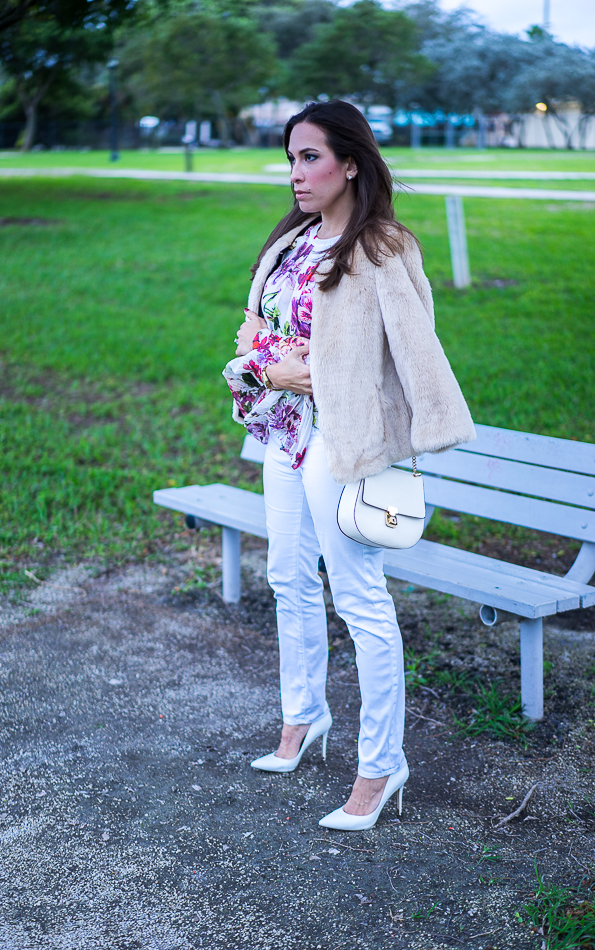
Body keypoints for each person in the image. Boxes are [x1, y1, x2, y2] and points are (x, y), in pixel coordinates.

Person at [223, 100, 475, 831]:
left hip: (345, 442)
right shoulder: (293, 241)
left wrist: (416, 427)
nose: (296, 173)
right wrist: (268, 367)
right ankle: (303, 717)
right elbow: (256, 336)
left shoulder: (381, 248)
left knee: (359, 599)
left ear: (352, 164)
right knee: (287, 578)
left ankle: (381, 764)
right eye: (290, 159)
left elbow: (415, 351)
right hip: (284, 435)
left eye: (310, 158)